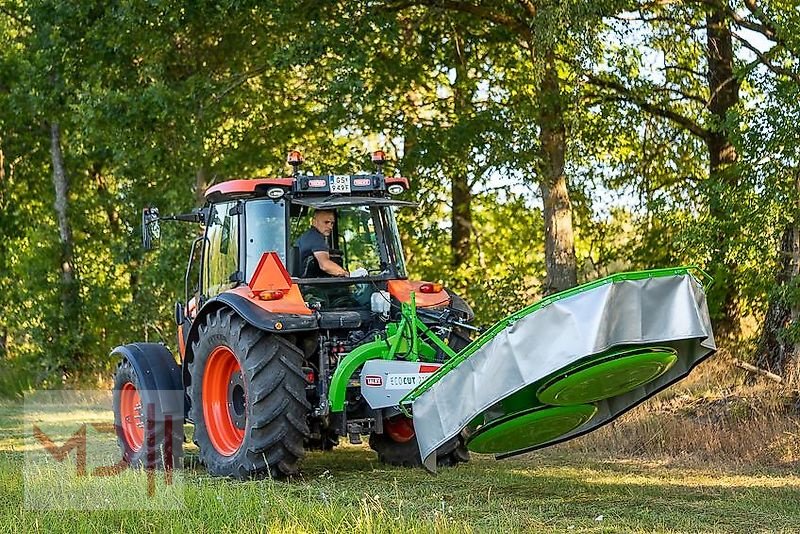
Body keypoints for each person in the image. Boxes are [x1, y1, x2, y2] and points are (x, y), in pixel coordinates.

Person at [297, 209, 349, 277]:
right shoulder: (316, 237)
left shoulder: (307, 236)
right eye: (326, 222)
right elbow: (325, 265)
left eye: (332, 223)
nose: (330, 227)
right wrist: (346, 274)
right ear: (314, 222)